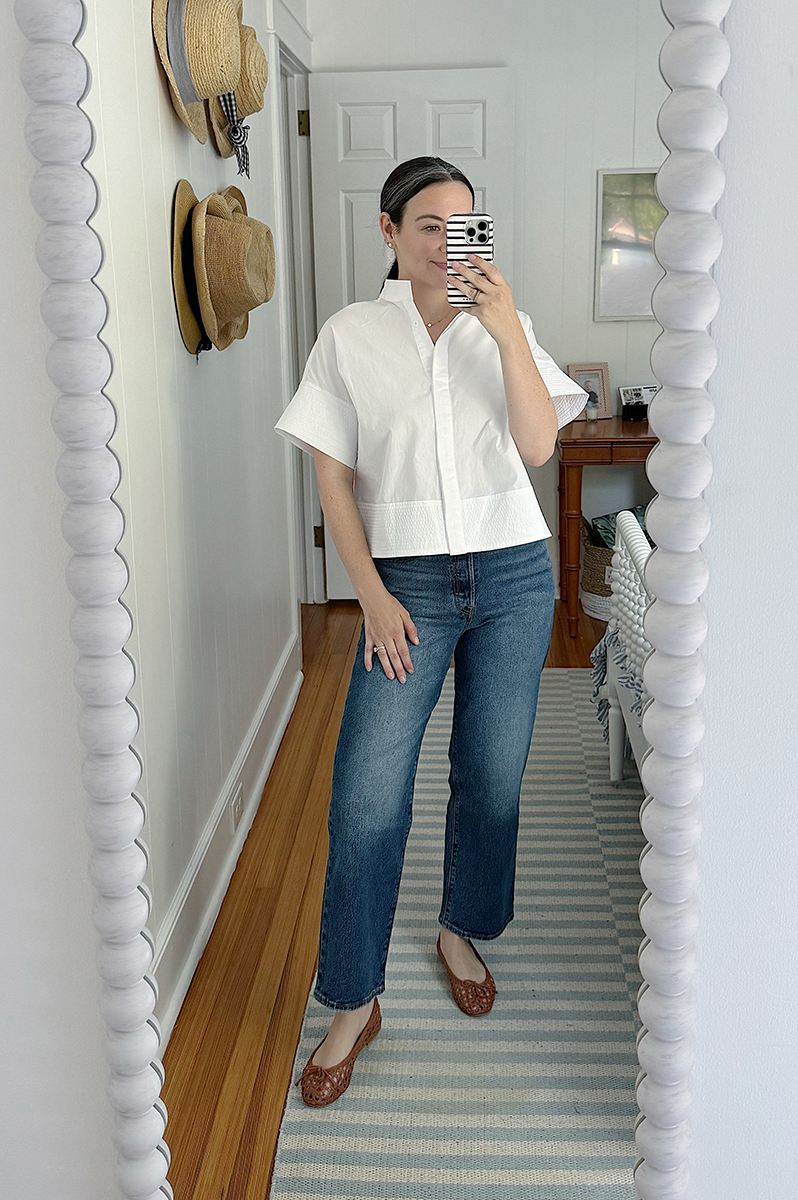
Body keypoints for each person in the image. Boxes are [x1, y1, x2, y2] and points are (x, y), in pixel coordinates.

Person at [273, 156, 588, 1107]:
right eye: (428, 225)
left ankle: (460, 927)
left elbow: (540, 447)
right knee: (368, 792)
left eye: (466, 224)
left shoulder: (509, 325)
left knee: (491, 774)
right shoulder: (347, 337)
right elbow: (332, 478)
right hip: (400, 584)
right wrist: (366, 592)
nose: (449, 240)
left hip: (513, 574)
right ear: (388, 233)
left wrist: (504, 332)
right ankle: (353, 1000)